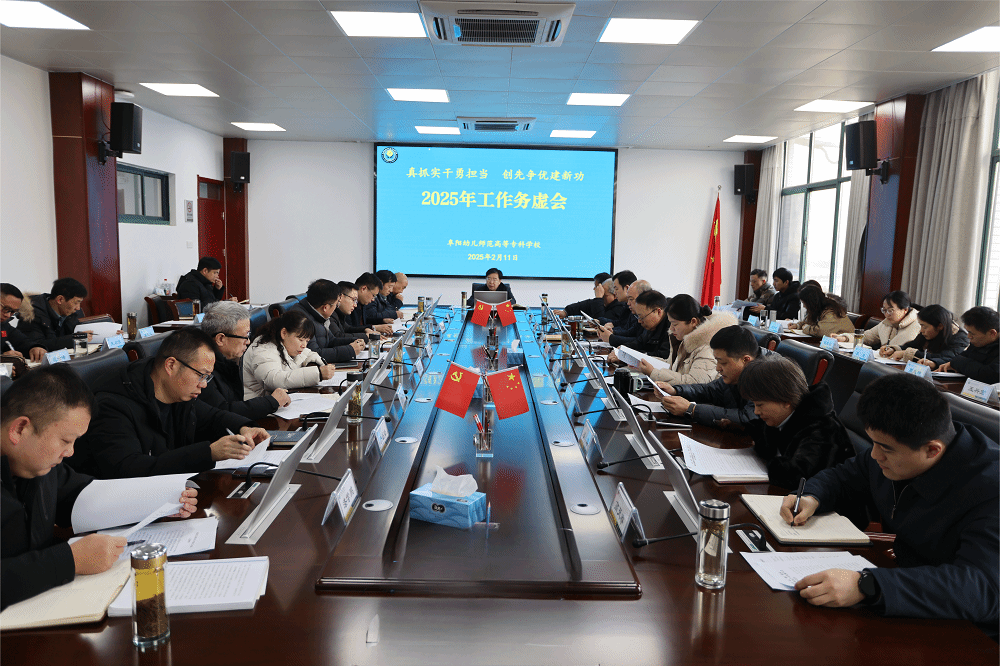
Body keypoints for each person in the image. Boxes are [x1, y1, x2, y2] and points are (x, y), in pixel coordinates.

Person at [780, 373, 998, 634]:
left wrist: (867, 585)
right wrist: (812, 496)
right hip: (907, 590)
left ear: (933, 450)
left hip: (968, 628)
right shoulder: (901, 445)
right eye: (873, 443)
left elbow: (982, 588)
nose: (874, 455)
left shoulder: (990, 489)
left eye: (885, 449)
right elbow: (847, 474)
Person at [1, 366, 198, 611]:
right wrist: (71, 560)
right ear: (19, 429)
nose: (70, 452)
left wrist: (158, 502)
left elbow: (79, 495)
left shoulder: (38, 465)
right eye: (65, 440)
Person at [69, 328, 268, 479]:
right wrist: (208, 453)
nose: (203, 385)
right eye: (201, 375)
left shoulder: (177, 391)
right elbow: (128, 469)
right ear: (171, 365)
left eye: (208, 377)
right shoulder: (113, 405)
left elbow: (212, 416)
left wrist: (244, 427)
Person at [738, 355, 853, 489]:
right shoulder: (783, 417)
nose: (756, 411)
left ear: (785, 400)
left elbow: (797, 477)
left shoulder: (820, 429)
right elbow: (765, 443)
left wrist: (772, 464)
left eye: (760, 405)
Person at [199, 301, 291, 420]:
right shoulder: (201, 368)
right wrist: (271, 402)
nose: (248, 341)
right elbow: (223, 412)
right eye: (245, 335)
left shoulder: (227, 362)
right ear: (221, 339)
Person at [659, 325, 764, 428]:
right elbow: (709, 390)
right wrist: (676, 390)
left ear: (745, 360)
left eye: (723, 363)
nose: (717, 368)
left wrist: (692, 410)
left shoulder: (765, 378)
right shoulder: (736, 375)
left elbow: (749, 418)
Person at [639, 294, 737, 387]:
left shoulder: (707, 346)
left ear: (693, 322)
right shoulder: (684, 337)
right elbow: (672, 366)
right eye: (670, 323)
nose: (671, 328)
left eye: (675, 324)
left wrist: (654, 373)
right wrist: (644, 360)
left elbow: (695, 383)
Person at [242, 309, 337, 399]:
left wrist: (312, 364)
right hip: (257, 404)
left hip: (276, 401)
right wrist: (317, 374)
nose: (304, 345)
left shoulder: (287, 344)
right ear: (284, 333)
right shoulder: (264, 349)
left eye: (307, 341)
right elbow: (273, 380)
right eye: (301, 340)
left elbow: (308, 354)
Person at [291, 280, 365, 363]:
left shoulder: (318, 313)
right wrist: (350, 350)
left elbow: (331, 340)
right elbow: (314, 354)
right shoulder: (301, 319)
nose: (336, 308)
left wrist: (355, 341)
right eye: (336, 304)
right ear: (325, 308)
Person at [887, 304, 969, 369]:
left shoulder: (960, 339)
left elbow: (945, 357)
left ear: (940, 326)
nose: (921, 330)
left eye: (924, 327)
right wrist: (894, 349)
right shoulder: (929, 333)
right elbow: (913, 345)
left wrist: (908, 353)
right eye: (921, 326)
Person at [18, 277, 89, 352]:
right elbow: (37, 345)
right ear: (60, 300)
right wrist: (74, 339)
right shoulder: (32, 315)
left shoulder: (70, 313)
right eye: (76, 303)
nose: (78, 308)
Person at [606, 290, 673, 364]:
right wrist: (622, 349)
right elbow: (639, 342)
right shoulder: (651, 324)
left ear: (658, 312)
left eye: (641, 317)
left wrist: (627, 358)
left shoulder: (672, 327)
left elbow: (662, 356)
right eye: (637, 316)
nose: (639, 321)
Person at [842, 290, 920, 353]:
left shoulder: (917, 325)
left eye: (890, 310)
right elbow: (867, 336)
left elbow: (903, 349)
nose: (886, 314)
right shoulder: (886, 323)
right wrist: (845, 338)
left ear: (905, 310)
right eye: (884, 310)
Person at [939, 306, 999, 384]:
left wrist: (958, 363)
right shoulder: (979, 342)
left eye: (972, 334)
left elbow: (991, 375)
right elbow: (962, 357)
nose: (968, 336)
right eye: (968, 332)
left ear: (992, 333)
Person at [597, 279, 652, 348]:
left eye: (631, 299)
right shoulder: (635, 312)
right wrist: (613, 332)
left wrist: (611, 338)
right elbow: (631, 331)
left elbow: (641, 343)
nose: (628, 303)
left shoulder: (649, 316)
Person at [1, 283, 46, 364]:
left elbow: (22, 341)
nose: (8, 315)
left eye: (13, 312)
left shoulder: (3, 325)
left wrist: (34, 348)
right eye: (6, 309)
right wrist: (2, 358)